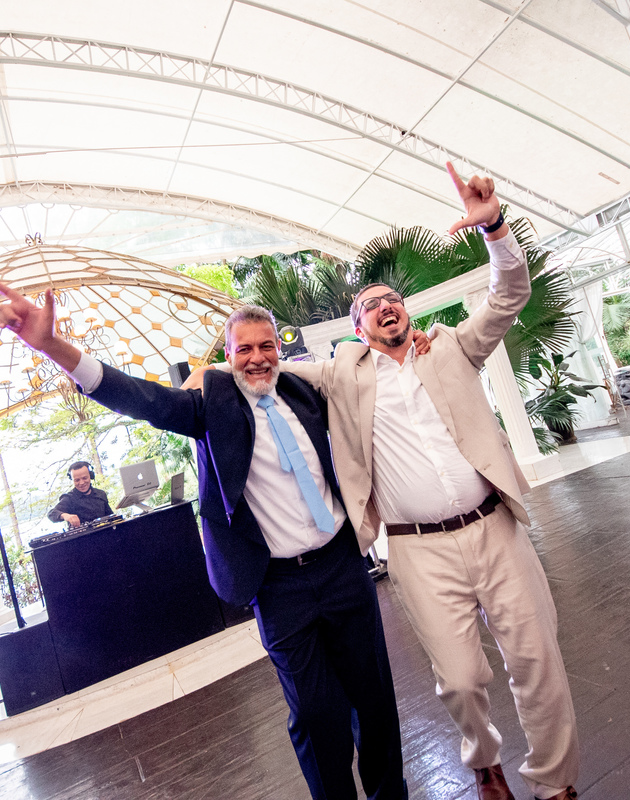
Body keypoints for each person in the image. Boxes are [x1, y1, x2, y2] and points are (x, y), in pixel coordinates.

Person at [186, 166, 579, 800]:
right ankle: (484, 762)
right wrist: (210, 377)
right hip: (417, 548)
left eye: (389, 298)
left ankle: (555, 782)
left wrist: (495, 231)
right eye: (368, 304)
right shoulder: (341, 373)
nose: (382, 305)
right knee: (460, 679)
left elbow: (508, 295)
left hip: (495, 529)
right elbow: (264, 367)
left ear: (406, 310)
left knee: (538, 660)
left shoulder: (453, 347)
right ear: (356, 327)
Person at [0, 281, 407, 800]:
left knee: (375, 700)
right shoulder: (210, 406)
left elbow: (367, 375)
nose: (258, 358)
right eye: (244, 349)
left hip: (343, 567)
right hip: (279, 588)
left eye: (267, 345)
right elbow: (141, 398)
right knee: (318, 715)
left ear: (279, 348)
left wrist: (414, 344)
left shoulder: (304, 391)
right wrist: (53, 345)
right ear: (227, 357)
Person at [47, 460, 113, 526]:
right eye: (77, 480)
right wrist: (65, 516)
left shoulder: (101, 494)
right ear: (72, 480)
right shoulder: (69, 498)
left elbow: (111, 517)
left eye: (85, 478)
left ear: (91, 476)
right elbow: (51, 513)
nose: (81, 483)